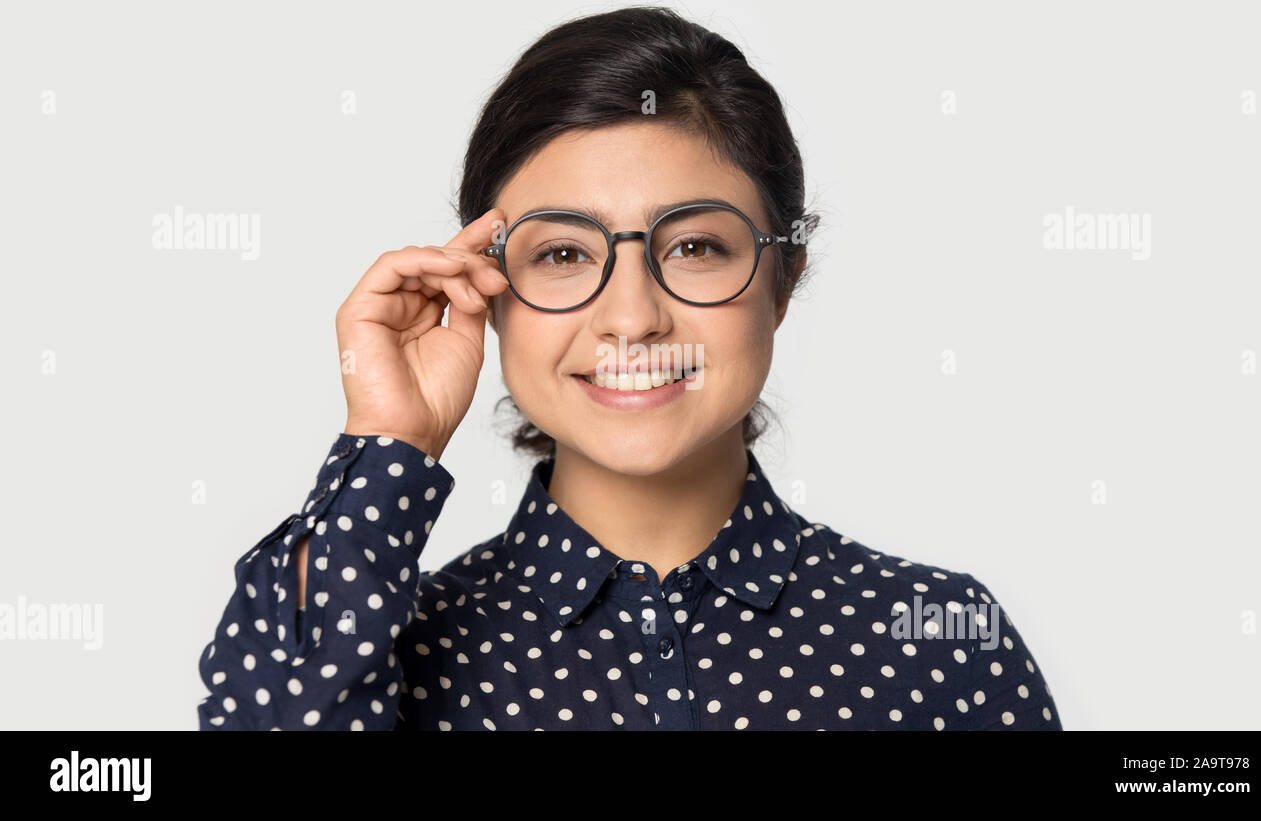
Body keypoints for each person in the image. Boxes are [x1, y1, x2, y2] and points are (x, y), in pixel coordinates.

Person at [196, 5, 1062, 730]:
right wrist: (390, 439)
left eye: (693, 246)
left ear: (783, 281)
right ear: (488, 290)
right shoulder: (390, 650)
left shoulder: (945, 643)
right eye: (564, 255)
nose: (633, 317)